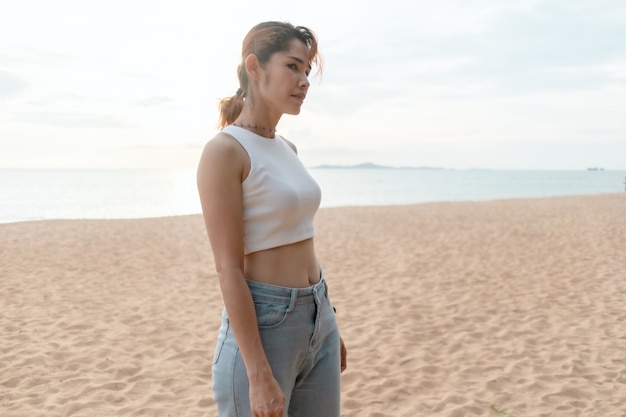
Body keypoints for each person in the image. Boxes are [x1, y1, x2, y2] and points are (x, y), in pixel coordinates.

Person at [196, 21, 347, 417]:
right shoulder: (225, 150)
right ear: (254, 66)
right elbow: (228, 268)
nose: (303, 81)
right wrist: (258, 374)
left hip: (318, 314)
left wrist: (326, 320)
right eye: (293, 66)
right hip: (266, 322)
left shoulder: (288, 147)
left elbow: (303, 238)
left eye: (306, 71)